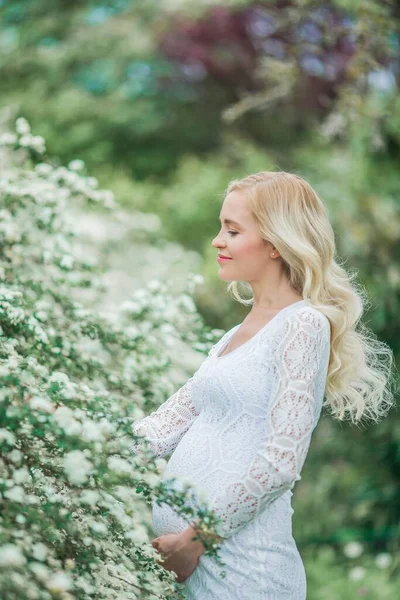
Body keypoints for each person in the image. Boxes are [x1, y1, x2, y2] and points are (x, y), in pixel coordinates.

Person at [131, 171, 395, 599]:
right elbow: (161, 428)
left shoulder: (303, 325)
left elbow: (280, 463)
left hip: (245, 574)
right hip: (194, 572)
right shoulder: (230, 338)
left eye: (232, 231)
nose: (218, 240)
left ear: (275, 244)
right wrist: (67, 451)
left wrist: (193, 541)